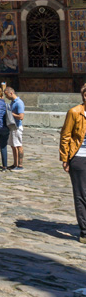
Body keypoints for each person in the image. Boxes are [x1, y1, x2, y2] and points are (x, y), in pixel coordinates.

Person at [60, 83, 86, 244]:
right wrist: (65, 158)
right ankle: (84, 231)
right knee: (82, 194)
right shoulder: (75, 112)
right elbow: (66, 135)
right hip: (79, 157)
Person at [5, 86, 25, 171]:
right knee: (13, 146)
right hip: (12, 126)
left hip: (17, 127)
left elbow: (21, 117)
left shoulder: (19, 103)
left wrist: (10, 113)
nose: (6, 97)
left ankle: (20, 165)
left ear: (11, 93)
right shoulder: (12, 102)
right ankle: (15, 163)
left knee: (18, 145)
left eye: (7, 95)